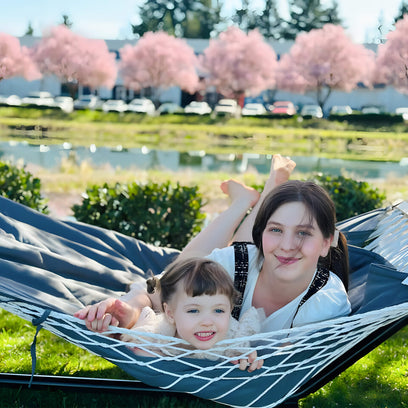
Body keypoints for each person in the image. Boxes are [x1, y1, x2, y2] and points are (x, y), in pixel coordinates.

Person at [75, 154, 350, 336]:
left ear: (327, 243)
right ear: (262, 233)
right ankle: (247, 200)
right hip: (242, 261)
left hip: (246, 264)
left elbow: (283, 362)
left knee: (229, 260)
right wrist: (126, 309)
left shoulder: (325, 304)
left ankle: (253, 196)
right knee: (188, 266)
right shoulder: (234, 261)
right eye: (275, 229)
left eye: (303, 233)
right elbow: (159, 290)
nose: (288, 245)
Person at [120, 256, 264, 371]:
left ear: (230, 310)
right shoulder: (161, 334)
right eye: (193, 310)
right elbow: (138, 349)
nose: (207, 322)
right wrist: (159, 356)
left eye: (219, 310)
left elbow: (241, 353)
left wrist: (244, 356)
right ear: (170, 314)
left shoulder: (230, 337)